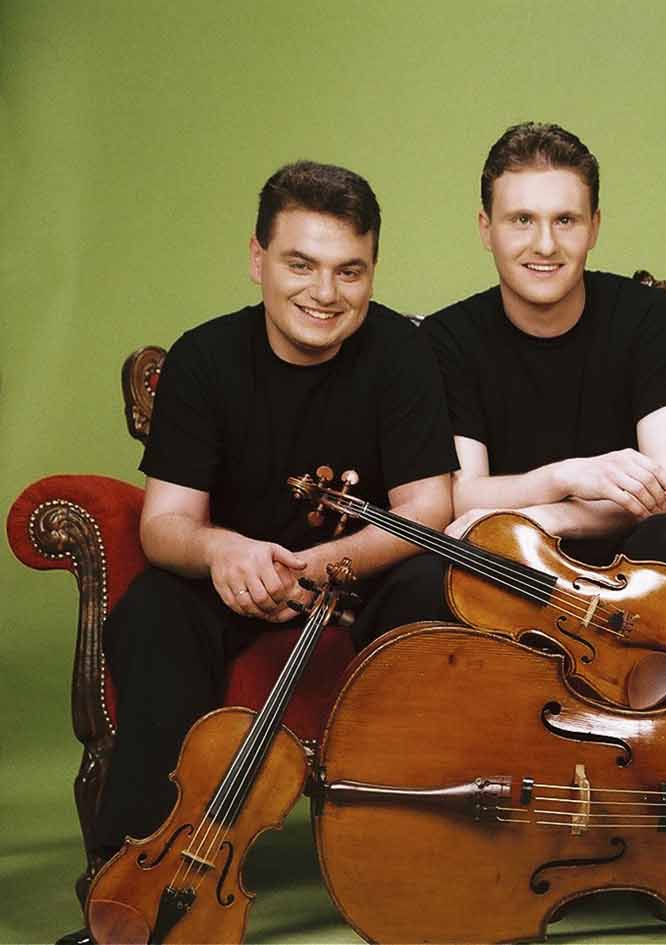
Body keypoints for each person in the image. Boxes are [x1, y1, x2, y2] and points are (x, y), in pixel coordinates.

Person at [59, 161, 458, 945]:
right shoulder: (205, 357)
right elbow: (165, 523)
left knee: (432, 586)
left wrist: (316, 567)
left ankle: (420, 866)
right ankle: (136, 881)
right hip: (233, 579)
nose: (325, 292)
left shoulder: (402, 352)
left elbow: (427, 510)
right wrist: (223, 552)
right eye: (300, 264)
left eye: (350, 270)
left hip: (360, 577)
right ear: (257, 258)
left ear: (372, 269)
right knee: (153, 612)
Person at [421, 122, 666, 673]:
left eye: (565, 220)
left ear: (594, 226)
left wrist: (546, 518)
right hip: (512, 568)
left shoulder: (644, 316)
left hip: (623, 567)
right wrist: (566, 476)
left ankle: (662, 716)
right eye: (521, 220)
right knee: (428, 574)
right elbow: (463, 497)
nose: (545, 244)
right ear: (486, 229)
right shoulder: (449, 338)